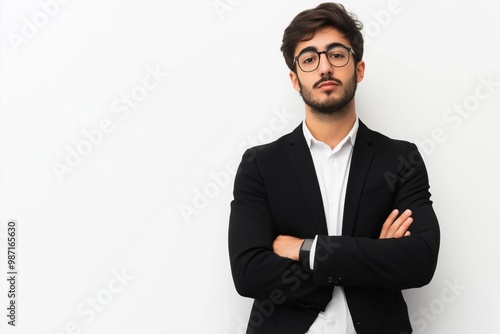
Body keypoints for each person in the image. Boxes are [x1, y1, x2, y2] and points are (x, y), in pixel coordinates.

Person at [228, 3, 440, 334]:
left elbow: (420, 260)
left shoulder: (400, 158)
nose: (324, 67)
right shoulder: (261, 164)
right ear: (295, 79)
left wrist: (304, 250)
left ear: (359, 69)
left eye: (337, 54)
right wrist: (371, 262)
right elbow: (249, 272)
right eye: (309, 58)